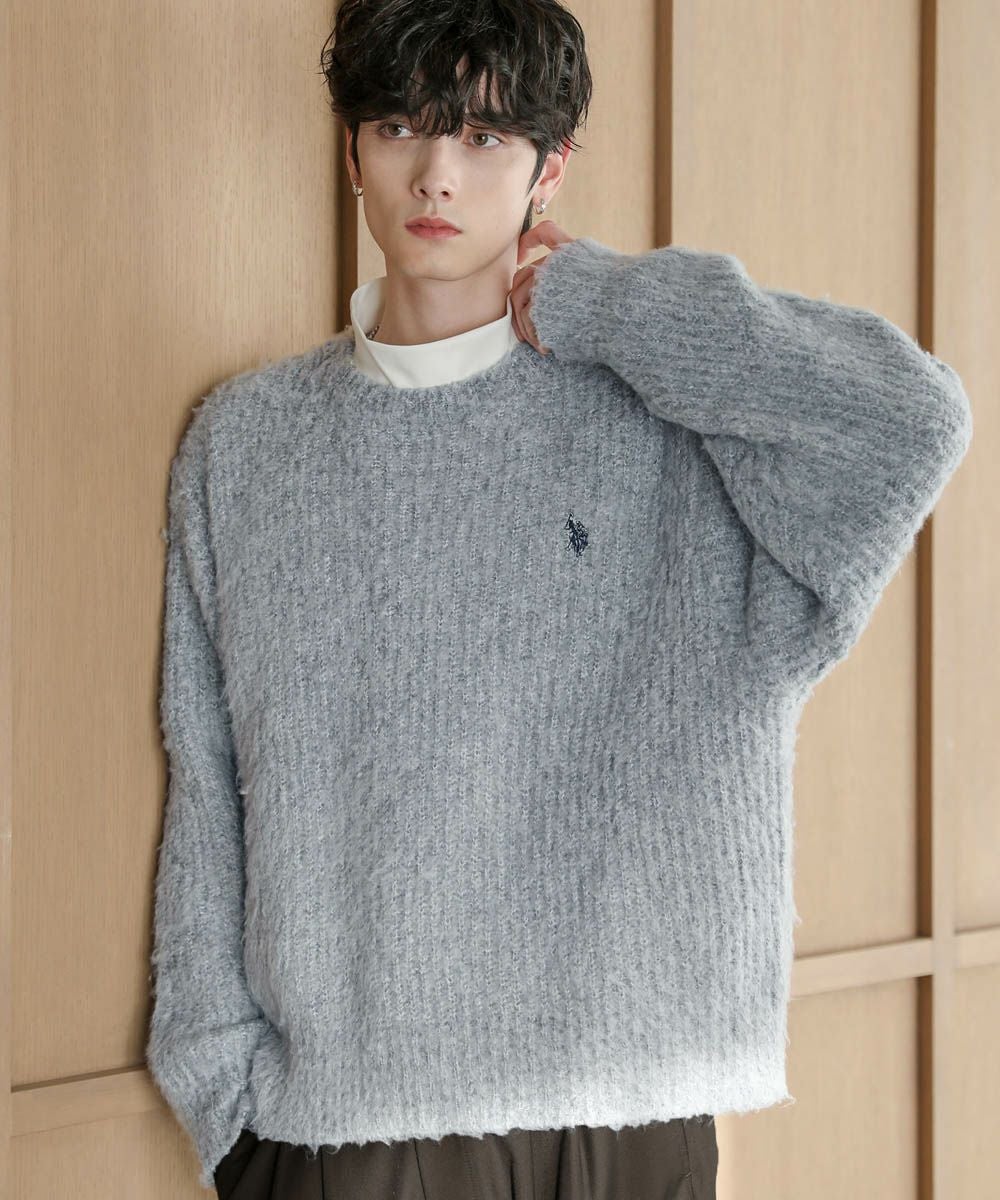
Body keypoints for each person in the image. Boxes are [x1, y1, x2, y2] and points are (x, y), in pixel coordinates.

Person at [145, 1, 973, 1197]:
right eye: (398, 127)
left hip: (627, 1119)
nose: (435, 174)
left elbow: (909, 421)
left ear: (551, 168)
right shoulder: (249, 444)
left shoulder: (668, 425)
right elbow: (205, 765)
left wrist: (610, 303)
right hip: (346, 1130)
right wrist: (220, 1096)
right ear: (352, 152)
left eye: (484, 138)